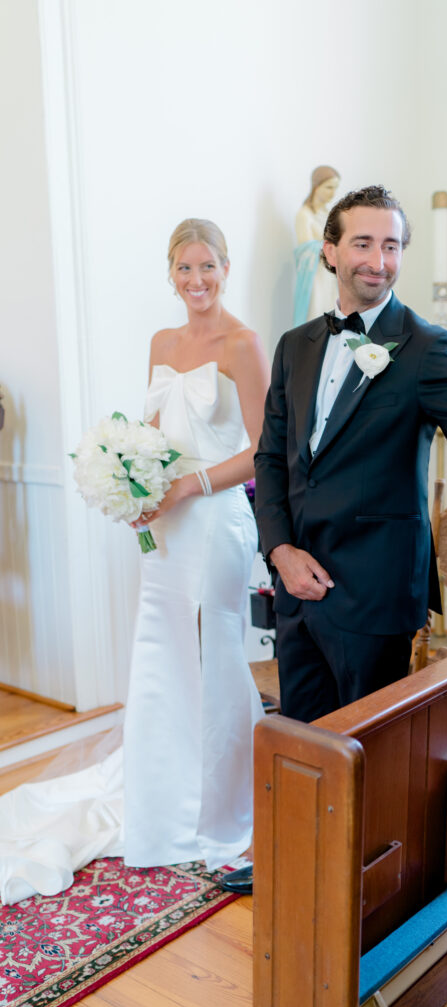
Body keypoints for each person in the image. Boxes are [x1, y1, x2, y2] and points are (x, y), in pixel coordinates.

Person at [255, 185, 447, 725]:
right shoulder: (294, 346)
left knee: (368, 759)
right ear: (330, 250)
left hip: (373, 593)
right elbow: (271, 458)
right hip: (295, 590)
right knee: (301, 746)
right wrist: (279, 551)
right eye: (363, 244)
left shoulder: (426, 347)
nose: (378, 261)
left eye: (391, 247)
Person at [123, 218, 270, 871]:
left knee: (214, 651)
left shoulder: (242, 344)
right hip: (169, 522)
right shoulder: (160, 340)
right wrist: (138, 493)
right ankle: (164, 796)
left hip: (215, 518)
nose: (196, 280)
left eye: (206, 266)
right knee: (163, 646)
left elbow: (264, 452)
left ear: (225, 267)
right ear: (171, 274)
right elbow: (149, 436)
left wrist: (189, 486)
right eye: (184, 269)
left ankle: (226, 805)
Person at [293, 165, 340, 325]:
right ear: (316, 186)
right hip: (315, 277)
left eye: (335, 188)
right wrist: (332, 247)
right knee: (316, 316)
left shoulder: (328, 214)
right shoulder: (304, 215)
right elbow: (305, 250)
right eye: (328, 187)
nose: (332, 193)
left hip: (331, 275)